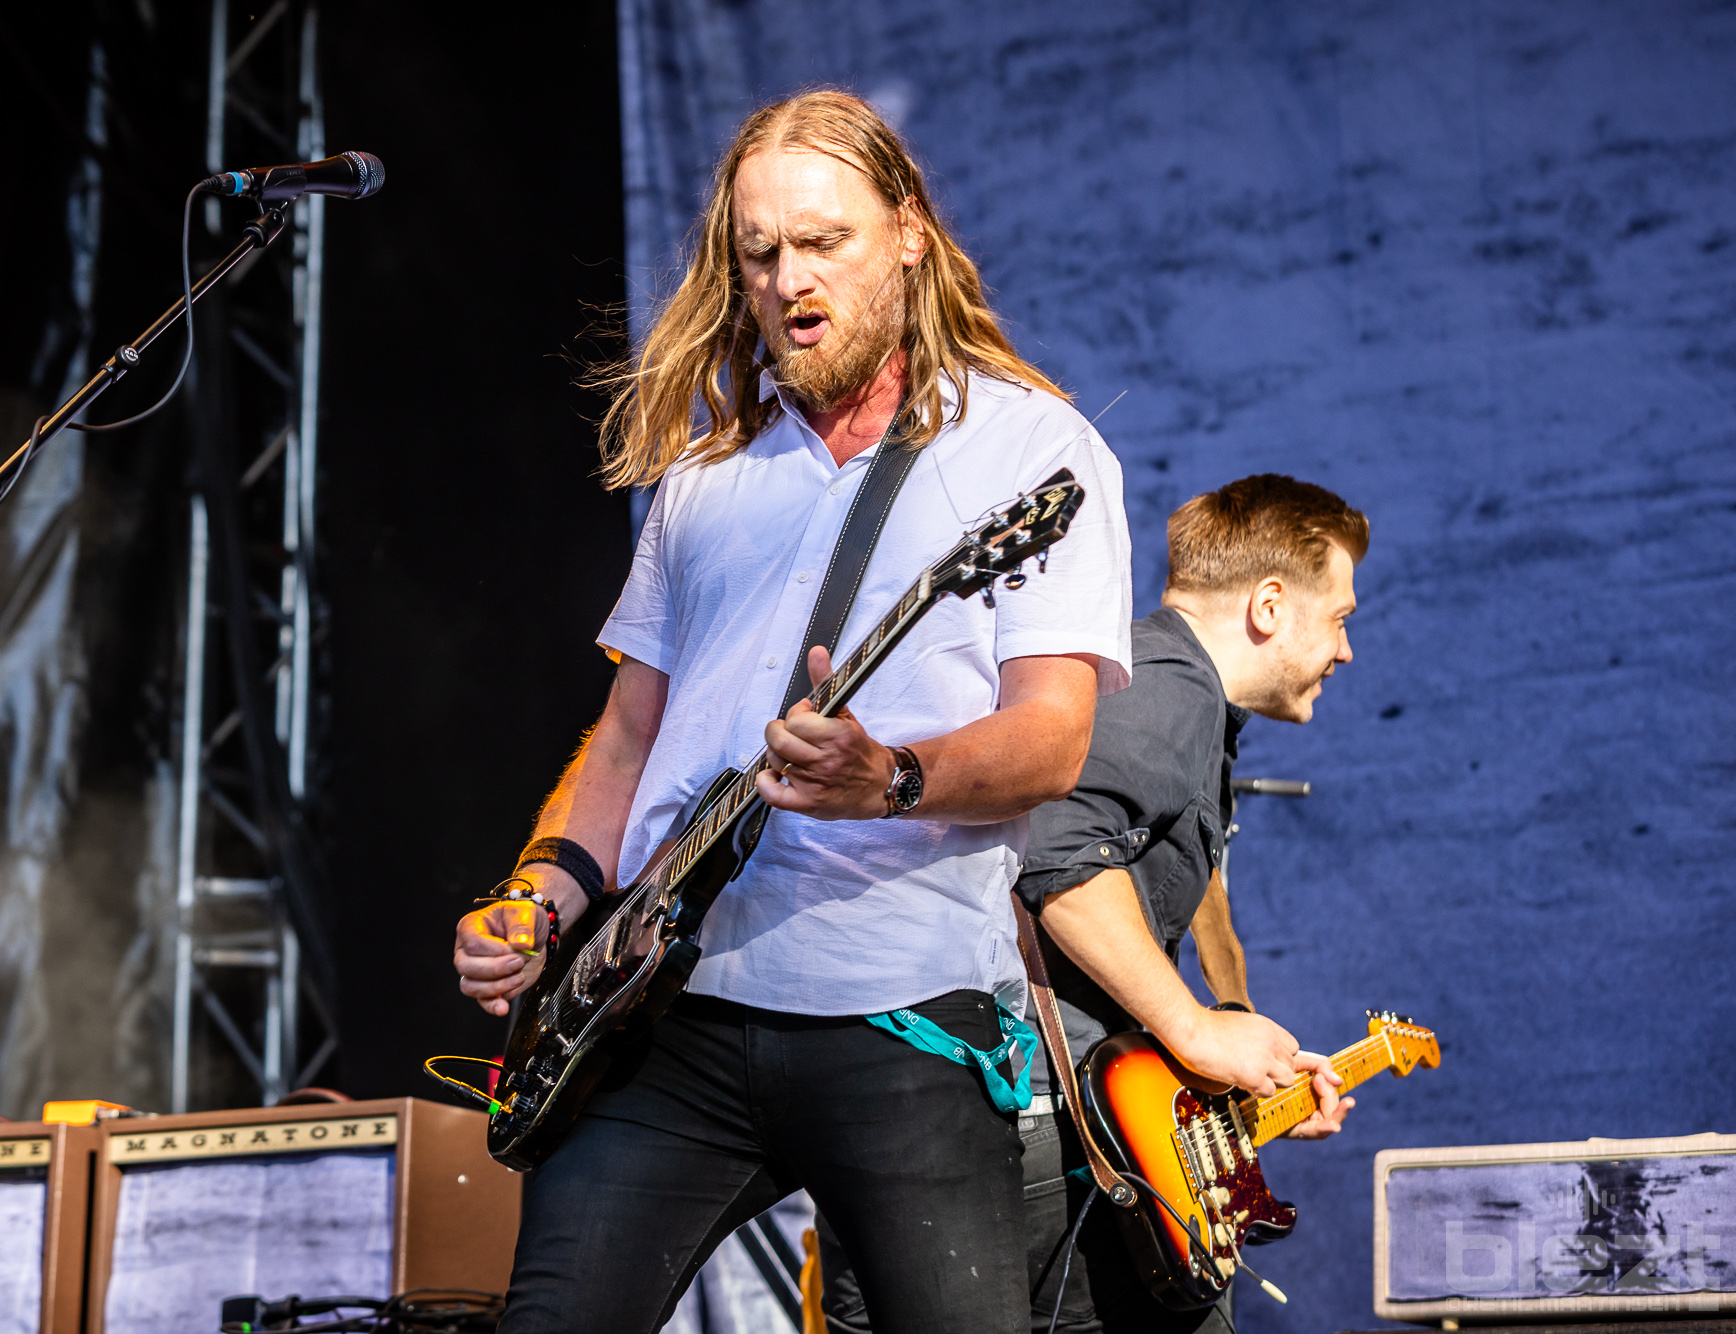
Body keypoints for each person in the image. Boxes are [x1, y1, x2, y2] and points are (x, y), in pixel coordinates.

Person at [449, 89, 1133, 1334]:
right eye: (760, 253)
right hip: (675, 1006)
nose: (789, 277)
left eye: (823, 242)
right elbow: (626, 734)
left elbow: (1053, 734)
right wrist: (538, 893)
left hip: (906, 1007)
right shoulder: (704, 477)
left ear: (908, 233)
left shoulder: (1033, 448)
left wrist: (894, 776)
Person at [818, 474, 1370, 1334]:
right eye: (1338, 617)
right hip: (1027, 1138)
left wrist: (1224, 1066)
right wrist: (1192, 1028)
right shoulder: (1166, 688)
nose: (1344, 651)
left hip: (1000, 1126)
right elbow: (1061, 852)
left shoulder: (1160, 689)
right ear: (1268, 605)